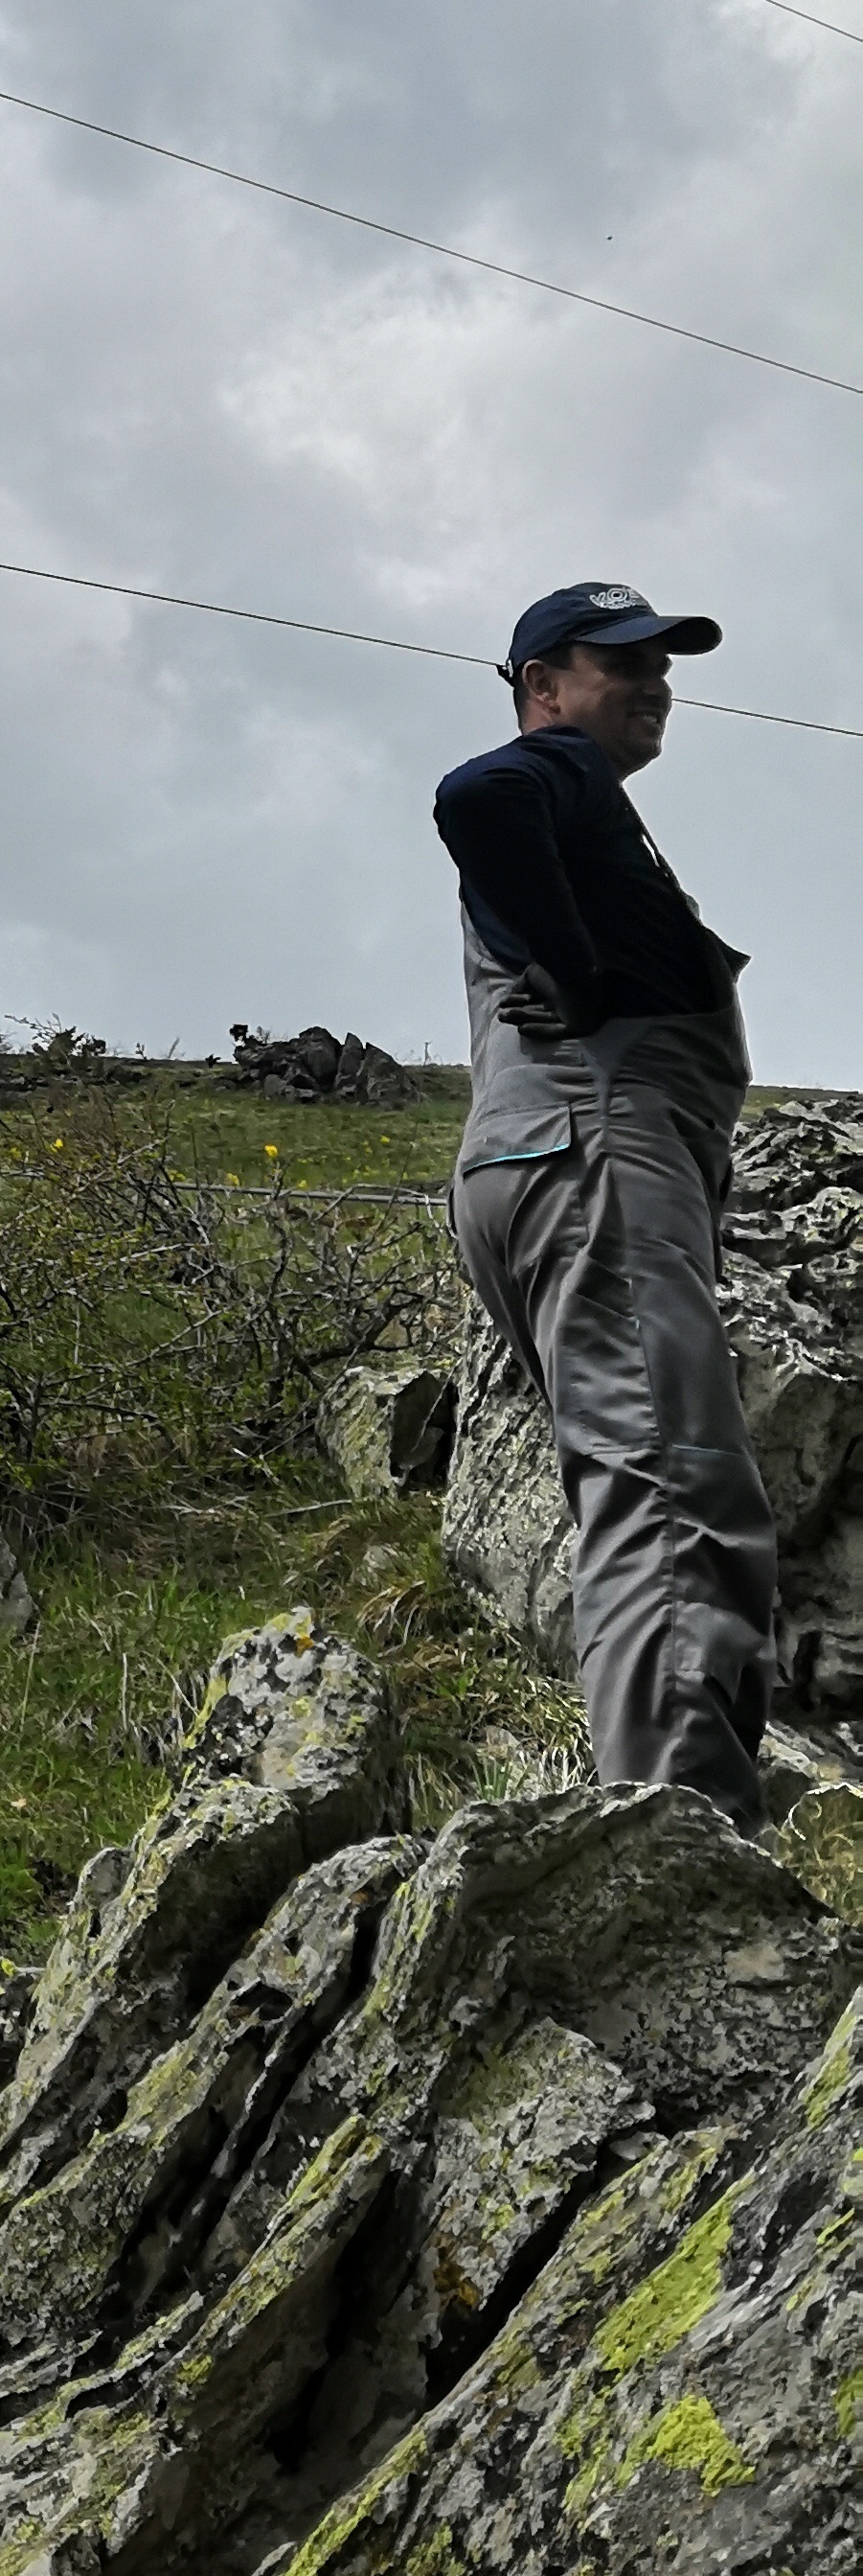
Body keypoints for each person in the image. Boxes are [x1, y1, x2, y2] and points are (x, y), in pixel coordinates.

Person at [432, 581, 769, 1819]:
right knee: (676, 1498)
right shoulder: (558, 772)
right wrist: (579, 972)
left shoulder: (592, 816)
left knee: (643, 1487)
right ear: (543, 688)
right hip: (599, 1160)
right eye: (621, 659)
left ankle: (670, 1824)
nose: (654, 681)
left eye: (663, 662)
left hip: (557, 1168)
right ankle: (676, 1858)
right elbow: (480, 796)